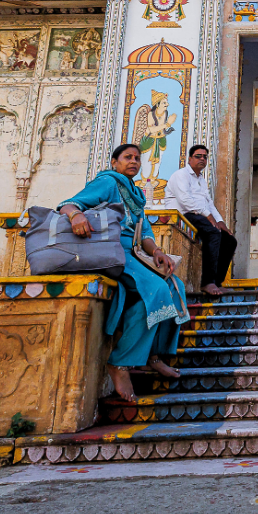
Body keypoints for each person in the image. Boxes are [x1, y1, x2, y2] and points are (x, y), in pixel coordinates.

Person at [58, 141, 191, 403]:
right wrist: (76, 217)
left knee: (175, 287)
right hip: (112, 250)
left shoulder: (136, 194)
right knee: (157, 289)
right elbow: (69, 204)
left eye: (137, 159)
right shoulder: (108, 183)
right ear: (115, 162)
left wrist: (157, 252)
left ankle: (153, 356)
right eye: (128, 157)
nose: (134, 162)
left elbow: (145, 233)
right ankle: (119, 364)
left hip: (133, 254)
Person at [165, 142, 236, 295]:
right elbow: (185, 200)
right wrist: (208, 216)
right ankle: (207, 282)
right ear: (190, 159)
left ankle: (217, 282)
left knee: (230, 240)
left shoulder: (201, 180)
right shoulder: (181, 175)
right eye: (198, 156)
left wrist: (220, 221)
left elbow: (208, 203)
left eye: (205, 157)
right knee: (213, 233)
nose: (202, 159)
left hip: (199, 215)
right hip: (184, 214)